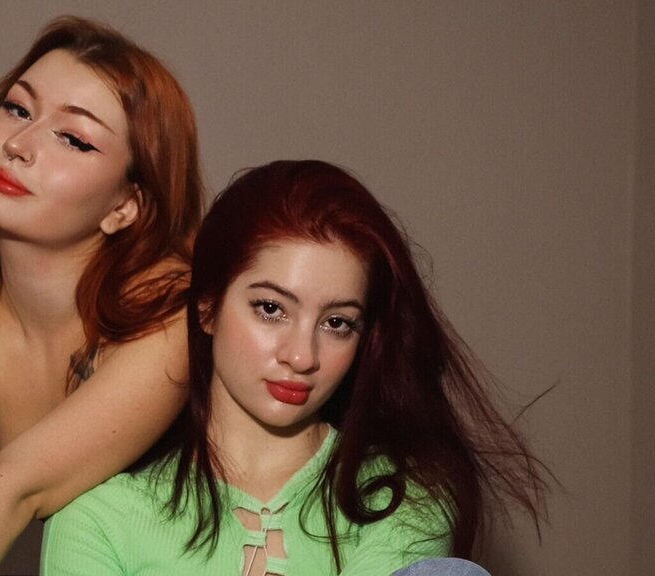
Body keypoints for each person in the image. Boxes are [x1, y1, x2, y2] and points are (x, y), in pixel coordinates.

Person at [41, 160, 547, 575]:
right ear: (208, 307)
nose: (302, 356)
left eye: (337, 323)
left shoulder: (403, 500)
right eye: (270, 309)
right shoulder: (98, 519)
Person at [0, 16, 203, 576]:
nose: (18, 145)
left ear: (126, 205)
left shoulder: (169, 311)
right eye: (17, 109)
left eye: (73, 139)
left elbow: (17, 486)